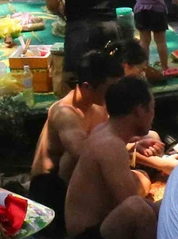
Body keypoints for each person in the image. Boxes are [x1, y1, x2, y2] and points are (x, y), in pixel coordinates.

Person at [63, 76, 161, 239]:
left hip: (101, 232)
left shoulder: (108, 130)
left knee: (164, 206)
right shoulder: (110, 145)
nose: (153, 114)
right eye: (151, 108)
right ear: (139, 111)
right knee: (138, 208)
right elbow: (133, 206)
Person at [28, 51, 119, 209]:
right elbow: (82, 153)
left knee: (148, 138)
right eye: (111, 89)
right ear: (87, 87)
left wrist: (136, 146)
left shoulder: (99, 106)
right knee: (71, 157)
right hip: (49, 189)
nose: (116, 94)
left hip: (79, 180)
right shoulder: (64, 113)